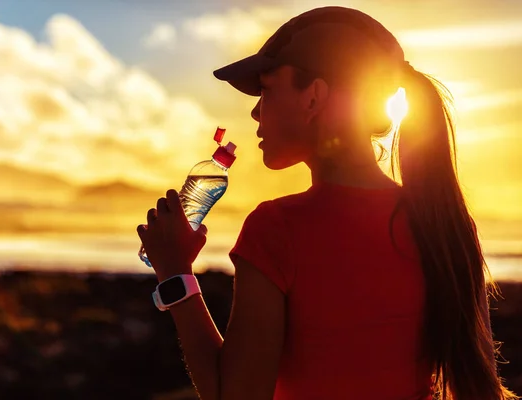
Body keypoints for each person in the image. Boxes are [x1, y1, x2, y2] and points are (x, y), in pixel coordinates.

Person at [137, 6, 518, 400]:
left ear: (314, 96)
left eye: (266, 90)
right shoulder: (446, 223)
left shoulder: (278, 228)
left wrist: (175, 274)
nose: (254, 111)